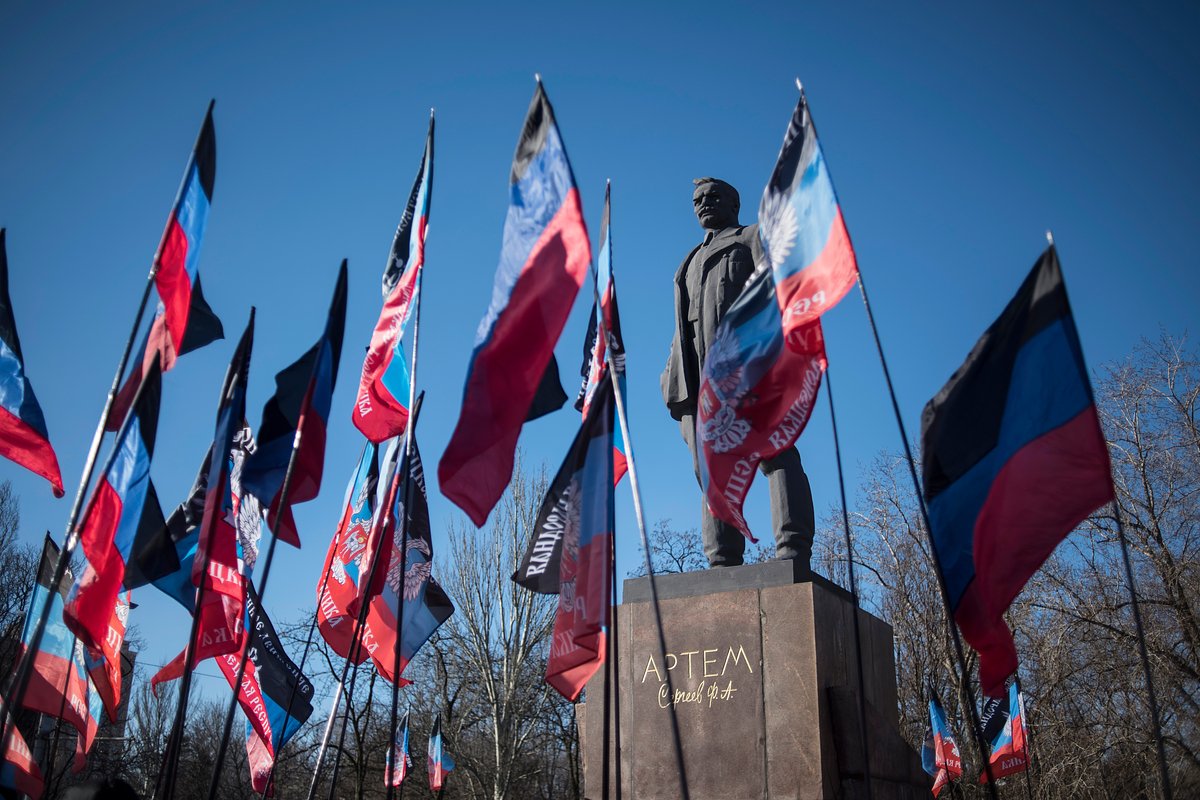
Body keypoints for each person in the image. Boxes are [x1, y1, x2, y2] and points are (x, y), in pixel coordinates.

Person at [662, 177, 816, 568]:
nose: (704, 203)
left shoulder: (752, 238)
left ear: (734, 204)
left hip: (749, 367)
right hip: (697, 383)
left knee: (775, 452)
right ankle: (722, 560)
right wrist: (670, 379)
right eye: (697, 199)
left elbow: (783, 292)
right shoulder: (687, 261)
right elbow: (682, 327)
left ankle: (792, 549)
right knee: (711, 471)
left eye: (713, 197)